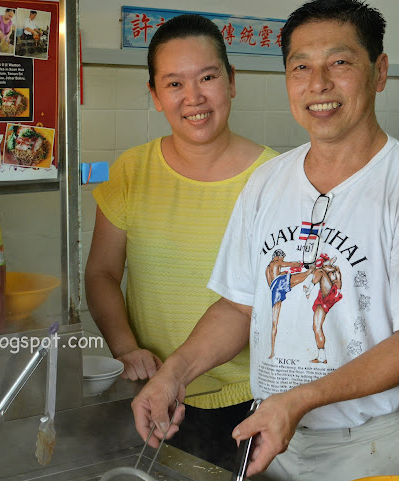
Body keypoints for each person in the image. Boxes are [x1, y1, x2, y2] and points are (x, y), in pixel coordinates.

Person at [131, 1, 399, 481]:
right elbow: (238, 307)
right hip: (275, 438)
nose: (318, 83)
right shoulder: (267, 182)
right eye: (300, 66)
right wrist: (173, 374)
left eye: (340, 62)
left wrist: (303, 399)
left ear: (380, 71)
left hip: (370, 443)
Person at [84, 14, 278, 470]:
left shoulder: (275, 179)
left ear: (232, 81)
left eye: (207, 77)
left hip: (247, 401)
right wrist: (125, 349)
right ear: (154, 95)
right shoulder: (132, 170)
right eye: (174, 84)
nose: (193, 98)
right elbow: (102, 273)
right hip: (149, 395)